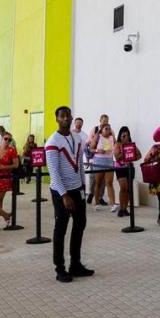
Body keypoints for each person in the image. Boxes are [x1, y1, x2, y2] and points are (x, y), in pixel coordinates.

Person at [45, 106, 93, 283]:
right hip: (60, 191)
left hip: (76, 189)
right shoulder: (52, 141)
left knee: (80, 225)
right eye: (62, 116)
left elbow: (79, 163)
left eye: (68, 115)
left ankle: (76, 264)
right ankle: (60, 268)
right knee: (61, 229)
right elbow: (54, 172)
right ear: (57, 119)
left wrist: (82, 186)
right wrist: (64, 195)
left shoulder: (77, 138)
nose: (66, 118)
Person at [0, 132, 20, 230]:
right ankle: (5, 215)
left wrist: (4, 167)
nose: (7, 141)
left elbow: (16, 165)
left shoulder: (12, 150)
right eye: (6, 138)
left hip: (4, 177)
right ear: (2, 138)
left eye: (9, 140)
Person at [113, 126, 140, 217]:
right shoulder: (117, 144)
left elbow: (139, 156)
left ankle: (125, 208)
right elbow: (117, 157)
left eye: (127, 135)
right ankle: (121, 208)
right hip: (120, 168)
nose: (125, 137)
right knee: (123, 187)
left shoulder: (131, 144)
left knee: (129, 189)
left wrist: (131, 149)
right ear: (120, 135)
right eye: (123, 135)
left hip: (129, 168)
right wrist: (126, 149)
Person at [90, 123, 117, 212]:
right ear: (101, 130)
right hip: (99, 161)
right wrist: (98, 150)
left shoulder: (112, 137)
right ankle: (97, 203)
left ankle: (113, 204)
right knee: (98, 183)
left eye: (109, 128)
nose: (108, 130)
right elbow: (91, 149)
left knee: (109, 183)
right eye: (106, 129)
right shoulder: (98, 137)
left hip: (109, 161)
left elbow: (115, 147)